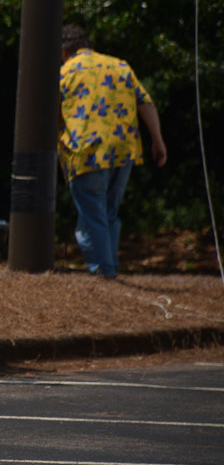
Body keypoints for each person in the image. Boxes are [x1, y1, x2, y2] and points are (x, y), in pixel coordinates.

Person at [58, 24, 167, 278]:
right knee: (108, 213)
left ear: (64, 51)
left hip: (86, 151)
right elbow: (145, 102)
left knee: (92, 217)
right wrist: (158, 140)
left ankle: (104, 272)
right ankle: (109, 268)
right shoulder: (120, 66)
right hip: (123, 152)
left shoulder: (65, 72)